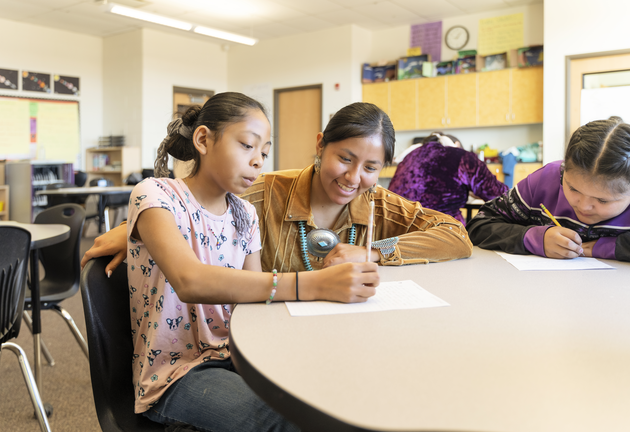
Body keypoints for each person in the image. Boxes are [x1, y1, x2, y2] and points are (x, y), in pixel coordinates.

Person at [120, 92, 380, 432]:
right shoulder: (155, 194)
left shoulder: (244, 213)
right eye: (247, 146)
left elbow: (255, 300)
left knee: (335, 396)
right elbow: (190, 280)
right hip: (176, 375)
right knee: (291, 421)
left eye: (264, 152)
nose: (258, 161)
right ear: (203, 139)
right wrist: (311, 285)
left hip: (239, 356)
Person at [82, 102, 473, 276]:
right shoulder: (265, 191)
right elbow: (190, 205)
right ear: (320, 146)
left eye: (371, 167)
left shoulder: (376, 203)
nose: (354, 177)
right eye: (345, 158)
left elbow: (456, 235)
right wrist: (133, 230)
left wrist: (373, 251)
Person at [466, 116, 630, 265]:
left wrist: (606, 247)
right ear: (564, 169)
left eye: (602, 200)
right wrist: (535, 238)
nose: (584, 206)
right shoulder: (545, 179)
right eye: (573, 188)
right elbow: (479, 225)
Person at [388, 131, 508, 225]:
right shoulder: (462, 157)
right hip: (443, 231)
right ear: (457, 145)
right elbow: (500, 194)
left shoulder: (409, 157)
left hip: (398, 230)